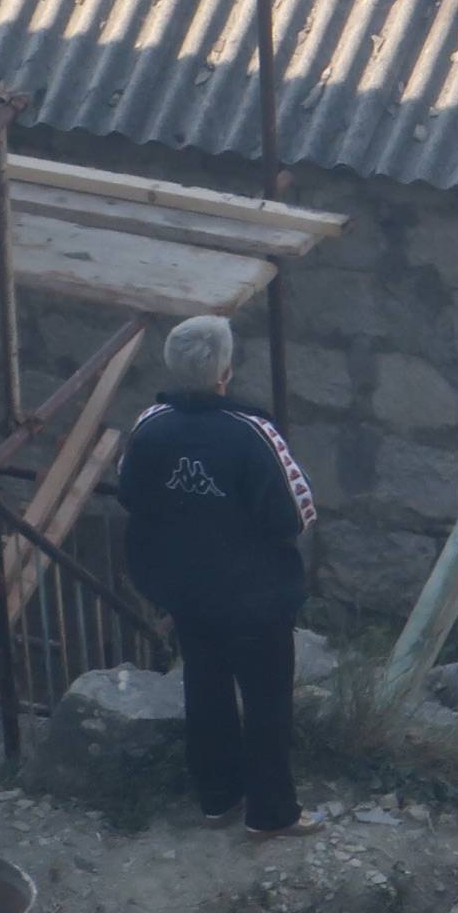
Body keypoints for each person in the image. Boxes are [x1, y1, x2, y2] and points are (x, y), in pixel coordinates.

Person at [115, 315, 321, 841]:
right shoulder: (252, 433)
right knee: (266, 699)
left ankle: (217, 797)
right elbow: (295, 513)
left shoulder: (150, 426)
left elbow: (131, 495)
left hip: (185, 589)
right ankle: (271, 811)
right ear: (224, 371)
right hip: (254, 594)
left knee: (204, 685)